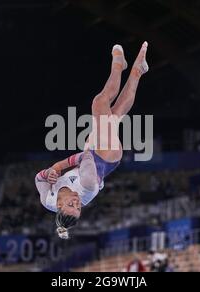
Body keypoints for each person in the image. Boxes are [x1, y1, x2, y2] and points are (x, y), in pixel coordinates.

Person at [35, 43, 150, 239]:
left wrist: (49, 172)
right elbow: (84, 156)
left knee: (116, 113)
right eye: (79, 207)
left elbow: (39, 178)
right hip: (106, 156)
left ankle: (138, 71)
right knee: (99, 102)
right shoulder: (87, 187)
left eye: (72, 205)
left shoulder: (48, 199)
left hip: (93, 151)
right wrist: (57, 167)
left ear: (59, 206)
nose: (77, 203)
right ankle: (118, 66)